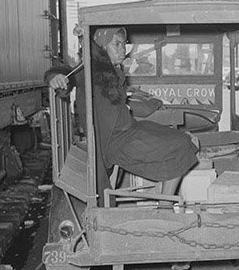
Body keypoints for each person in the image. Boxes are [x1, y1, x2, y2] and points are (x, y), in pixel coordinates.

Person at [49, 27, 197, 192]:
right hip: (116, 141)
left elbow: (119, 104)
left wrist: (151, 104)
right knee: (182, 144)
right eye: (116, 45)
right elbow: (67, 76)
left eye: (123, 44)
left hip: (127, 131)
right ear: (103, 47)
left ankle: (164, 200)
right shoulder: (92, 70)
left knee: (182, 140)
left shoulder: (112, 70)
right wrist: (55, 77)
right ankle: (166, 204)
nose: (122, 50)